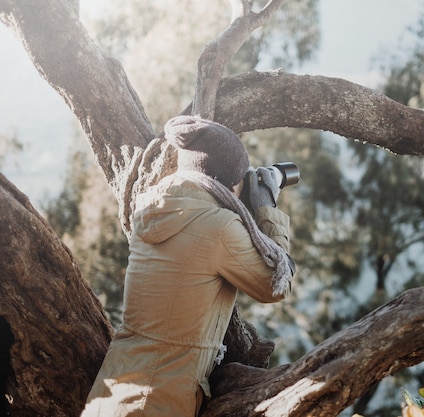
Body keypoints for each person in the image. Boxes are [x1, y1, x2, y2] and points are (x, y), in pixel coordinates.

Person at [81, 115, 295, 417]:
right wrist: (266, 208)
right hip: (158, 403)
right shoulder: (219, 226)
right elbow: (274, 284)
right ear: (229, 182)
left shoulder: (152, 205)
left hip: (111, 395)